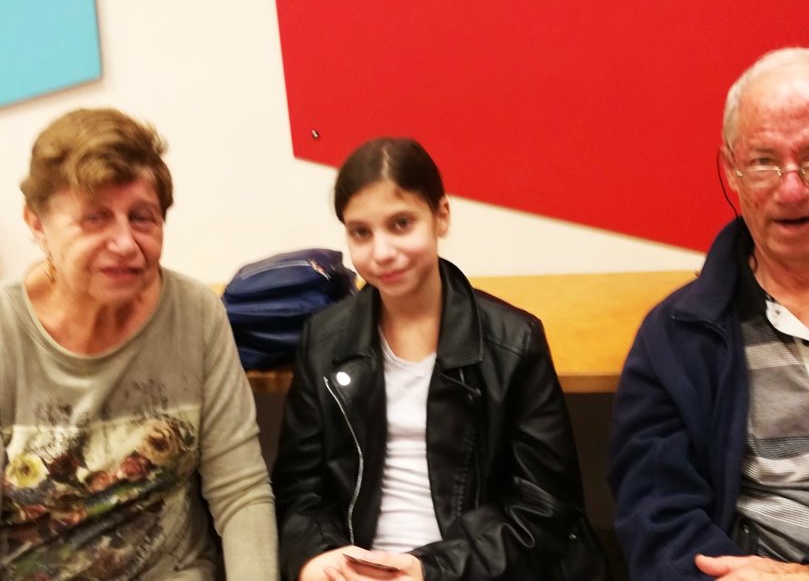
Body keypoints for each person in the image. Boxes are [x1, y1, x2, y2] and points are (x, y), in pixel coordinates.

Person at [271, 137, 593, 581]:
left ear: (441, 216)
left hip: (467, 571)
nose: (382, 252)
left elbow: (544, 507)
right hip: (355, 568)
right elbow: (299, 490)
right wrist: (316, 559)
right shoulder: (323, 341)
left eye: (401, 224)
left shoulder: (513, 341)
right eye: (361, 232)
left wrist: (431, 570)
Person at [0, 108, 278, 580]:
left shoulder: (195, 312)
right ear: (37, 224)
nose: (126, 243)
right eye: (95, 219)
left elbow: (240, 491)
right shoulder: (7, 330)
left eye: (142, 217)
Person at [609, 47, 809, 580]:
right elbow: (656, 518)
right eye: (764, 161)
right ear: (731, 172)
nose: (792, 188)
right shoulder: (675, 336)